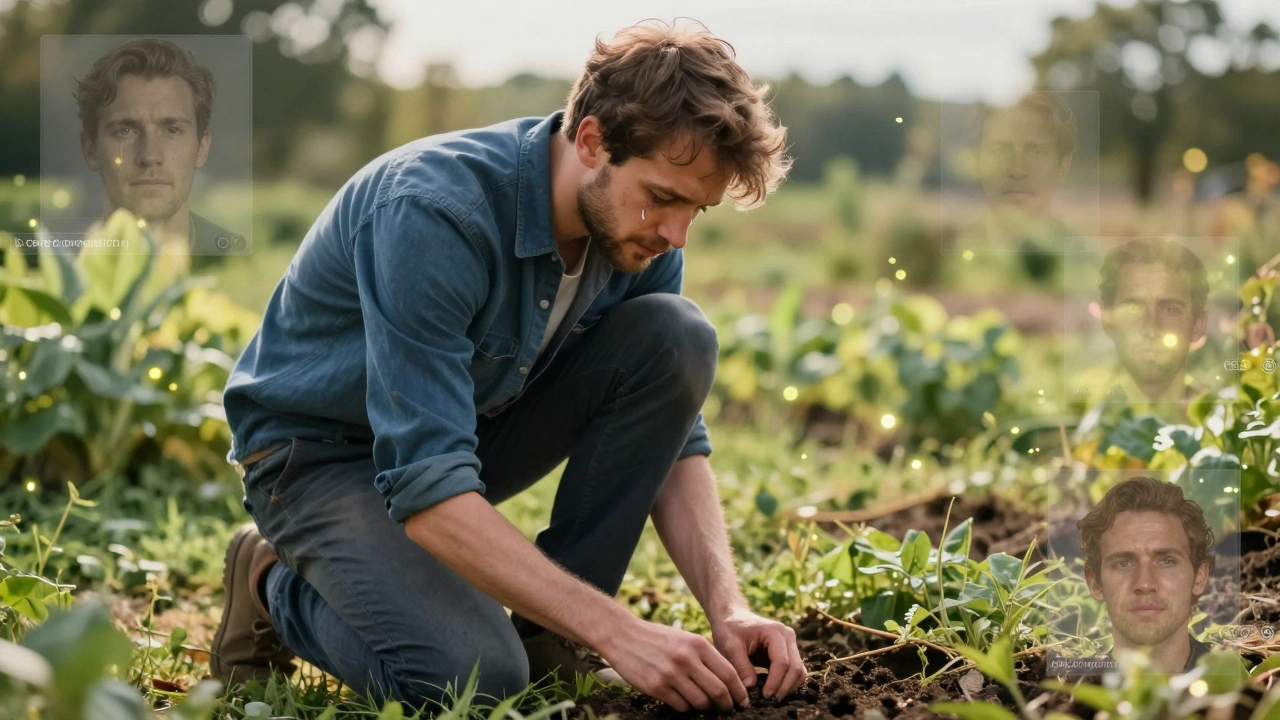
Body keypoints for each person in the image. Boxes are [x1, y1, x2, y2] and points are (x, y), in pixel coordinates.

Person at [211, 20, 804, 712]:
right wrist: (623, 633)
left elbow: (674, 437)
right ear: (591, 141)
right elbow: (428, 487)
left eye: (696, 210)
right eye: (665, 198)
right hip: (315, 458)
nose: (676, 234)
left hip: (460, 430)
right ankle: (272, 580)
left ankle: (553, 641)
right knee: (478, 682)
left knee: (677, 336)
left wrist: (729, 608)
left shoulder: (637, 236)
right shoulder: (434, 213)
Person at [76, 38, 240, 265]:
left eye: (173, 130)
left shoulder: (238, 264)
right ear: (91, 150)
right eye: (125, 131)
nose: (150, 156)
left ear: (202, 148)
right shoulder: (51, 267)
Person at [1075, 476, 1214, 674]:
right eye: (1124, 563)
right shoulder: (1070, 690)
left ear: (1199, 576)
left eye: (1166, 561)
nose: (1145, 583)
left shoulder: (1245, 685)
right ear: (1095, 583)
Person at [955, 92, 1076, 272]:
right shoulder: (944, 258)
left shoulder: (1089, 266)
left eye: (1036, 152)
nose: (1018, 170)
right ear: (977, 163)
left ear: (1063, 166)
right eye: (999, 151)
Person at [1097, 239, 1209, 403]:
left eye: (1170, 310)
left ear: (1198, 325)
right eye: (1133, 309)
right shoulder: (1079, 417)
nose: (1151, 329)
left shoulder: (1230, 416)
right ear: (1108, 321)